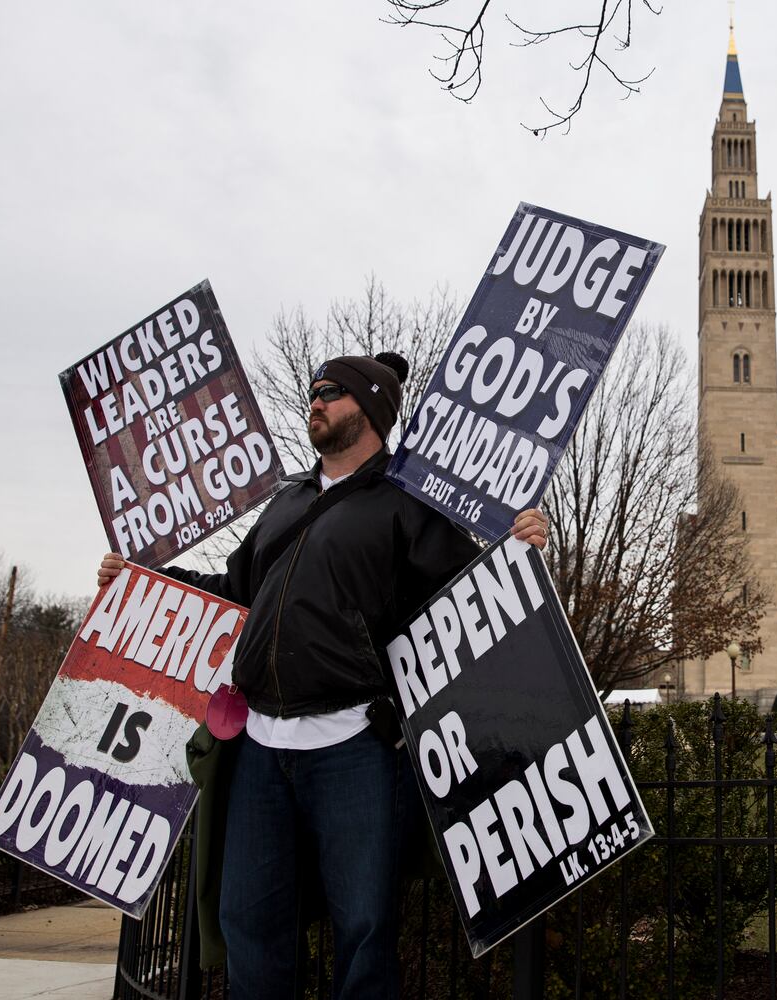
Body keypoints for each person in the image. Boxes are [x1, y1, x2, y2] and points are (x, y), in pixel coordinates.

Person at [96, 352, 548, 999]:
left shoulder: (407, 502)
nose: (315, 400)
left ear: (371, 409)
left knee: (364, 930)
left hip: (356, 750)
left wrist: (517, 549)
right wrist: (140, 581)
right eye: (313, 390)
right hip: (258, 749)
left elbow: (465, 590)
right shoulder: (287, 500)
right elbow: (233, 590)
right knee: (248, 923)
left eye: (331, 392)